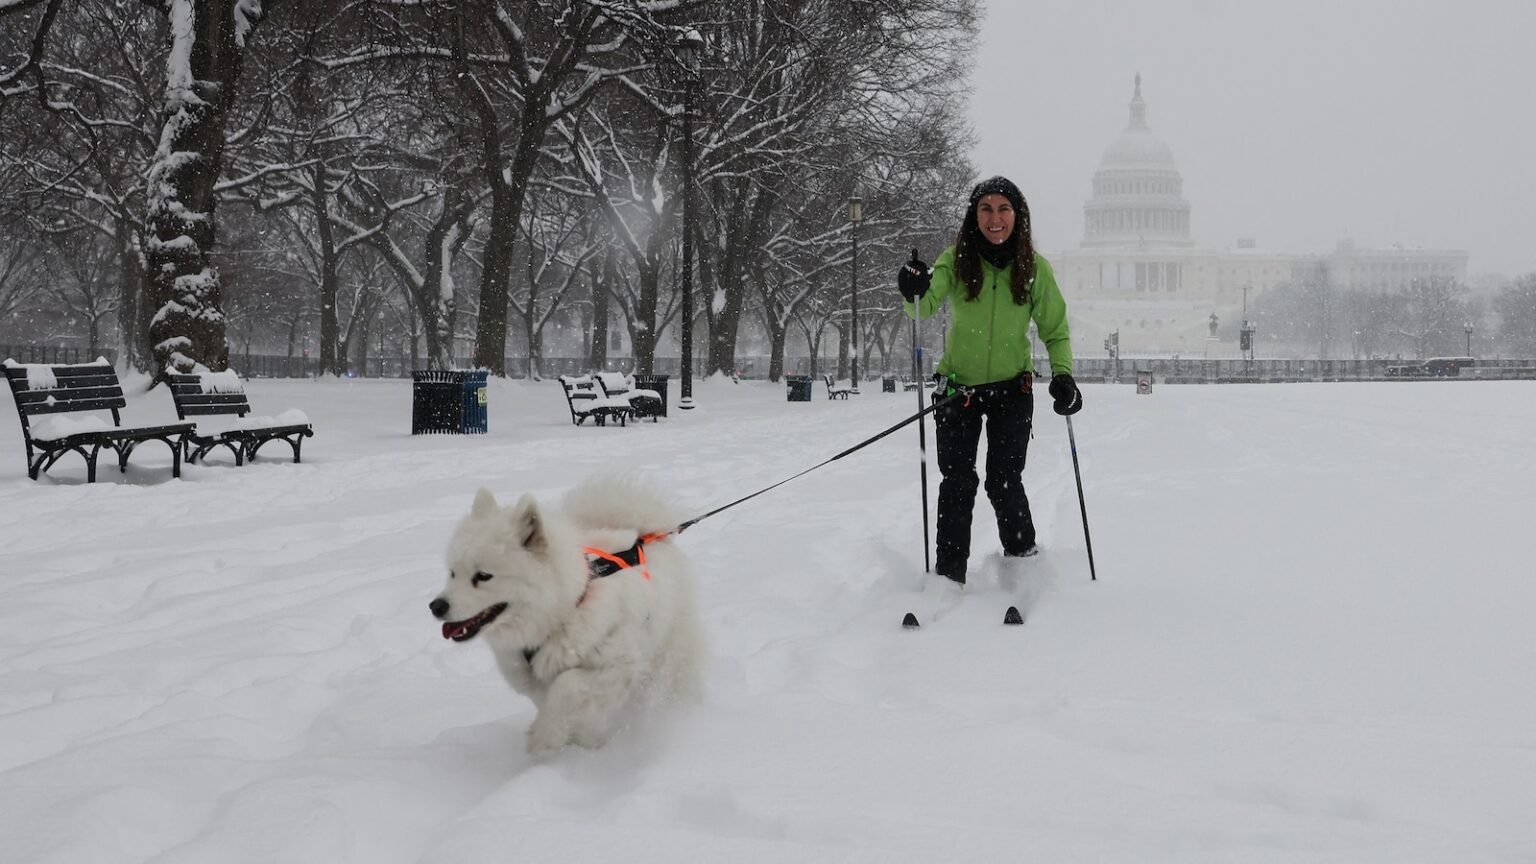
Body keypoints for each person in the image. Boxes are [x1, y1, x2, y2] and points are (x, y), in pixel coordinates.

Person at [897, 175, 1082, 586]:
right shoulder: (955, 260)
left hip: (1011, 391)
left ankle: (1022, 562)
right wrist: (912, 285)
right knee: (957, 482)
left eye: (1003, 209)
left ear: (1018, 217)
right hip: (957, 390)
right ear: (974, 215)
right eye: (986, 209)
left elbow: (1055, 330)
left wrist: (1063, 375)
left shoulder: (1034, 269)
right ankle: (949, 575)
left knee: (1004, 480)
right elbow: (923, 306)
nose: (995, 218)